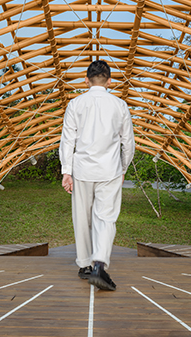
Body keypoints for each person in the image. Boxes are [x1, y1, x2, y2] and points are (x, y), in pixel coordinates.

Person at [59, 60, 135, 291]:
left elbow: (67, 140)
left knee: (82, 217)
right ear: (110, 81)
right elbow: (128, 142)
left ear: (86, 79)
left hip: (82, 170)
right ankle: (99, 264)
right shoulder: (119, 105)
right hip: (110, 170)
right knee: (106, 218)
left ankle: (84, 265)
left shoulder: (75, 104)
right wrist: (123, 168)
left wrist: (66, 171)